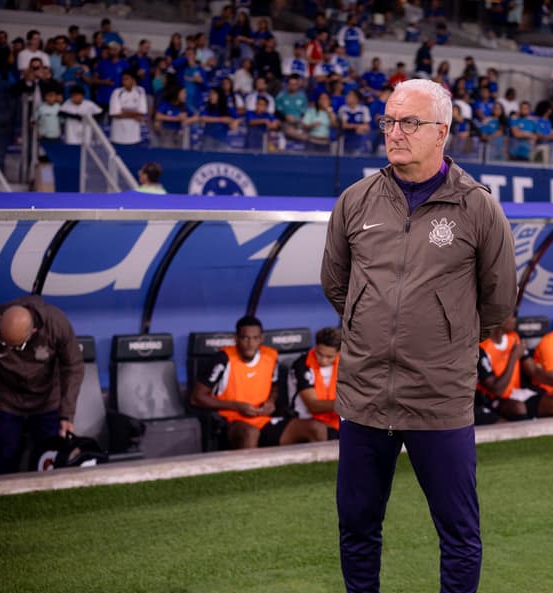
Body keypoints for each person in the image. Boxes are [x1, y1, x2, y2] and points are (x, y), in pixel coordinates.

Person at [320, 78, 516, 593]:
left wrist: (440, 338)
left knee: (458, 533)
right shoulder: (356, 200)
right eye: (389, 120)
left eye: (410, 122)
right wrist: (374, 327)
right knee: (357, 526)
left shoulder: (478, 207)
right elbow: (336, 285)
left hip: (439, 399)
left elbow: (497, 304)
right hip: (364, 397)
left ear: (442, 132)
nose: (396, 132)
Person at [0, 296, 84, 474]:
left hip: (46, 400)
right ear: (0, 320)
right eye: (2, 341)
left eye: (14, 346)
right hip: (5, 399)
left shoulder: (56, 323)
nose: (5, 348)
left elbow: (73, 365)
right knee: (3, 457)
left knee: (48, 458)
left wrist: (67, 413)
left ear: (32, 332)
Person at [189, 316, 326, 449]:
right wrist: (236, 406)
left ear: (261, 338)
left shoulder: (270, 356)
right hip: (232, 421)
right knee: (250, 433)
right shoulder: (223, 359)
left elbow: (274, 386)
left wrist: (271, 402)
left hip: (262, 419)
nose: (250, 343)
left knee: (316, 428)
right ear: (236, 338)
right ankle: (245, 472)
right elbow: (196, 398)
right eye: (245, 338)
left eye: (255, 338)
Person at [290, 327, 342, 440]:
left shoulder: (346, 364)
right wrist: (348, 404)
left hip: (336, 421)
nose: (323, 360)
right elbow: (313, 406)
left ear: (339, 353)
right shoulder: (302, 364)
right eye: (319, 354)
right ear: (315, 346)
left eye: (329, 357)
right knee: (319, 429)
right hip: (306, 420)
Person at [108, 69, 147, 146]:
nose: (124, 82)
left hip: (134, 137)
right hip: (118, 136)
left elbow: (142, 112)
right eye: (123, 79)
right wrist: (134, 115)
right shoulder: (117, 92)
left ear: (133, 80)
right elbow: (114, 113)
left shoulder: (140, 91)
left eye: (126, 79)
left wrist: (124, 112)